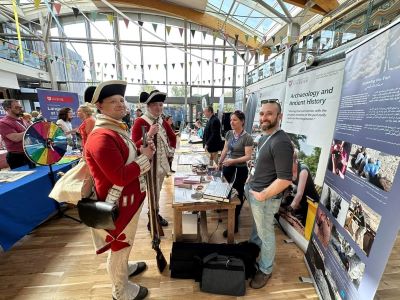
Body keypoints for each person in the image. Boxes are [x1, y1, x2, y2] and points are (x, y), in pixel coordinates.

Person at [85, 80, 155, 300]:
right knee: (119, 245)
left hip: (129, 201)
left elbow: (126, 159)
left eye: (121, 100)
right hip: (117, 204)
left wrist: (142, 150)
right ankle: (120, 290)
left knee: (126, 243)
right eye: (112, 101)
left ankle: (125, 267)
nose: (120, 104)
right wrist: (146, 158)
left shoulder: (115, 129)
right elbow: (120, 176)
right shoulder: (101, 136)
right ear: (99, 106)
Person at [244, 99, 293, 289]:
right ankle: (253, 249)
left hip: (265, 199)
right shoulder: (265, 137)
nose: (264, 117)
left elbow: (285, 180)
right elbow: (261, 165)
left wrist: (263, 195)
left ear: (280, 117)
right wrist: (251, 180)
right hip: (256, 192)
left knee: (266, 235)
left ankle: (265, 269)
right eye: (262, 113)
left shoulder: (281, 142)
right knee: (259, 229)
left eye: (269, 114)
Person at [131, 90, 177, 229]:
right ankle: (152, 217)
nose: (159, 108)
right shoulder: (141, 121)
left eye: (161, 105)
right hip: (149, 166)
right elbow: (134, 146)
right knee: (152, 193)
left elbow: (172, 137)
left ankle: (155, 213)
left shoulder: (161, 120)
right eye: (155, 105)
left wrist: (171, 152)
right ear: (148, 106)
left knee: (157, 192)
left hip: (161, 165)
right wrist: (149, 134)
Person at [218, 110, 253, 237]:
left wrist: (233, 161)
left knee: (237, 195)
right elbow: (225, 149)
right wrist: (220, 163)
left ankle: (234, 226)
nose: (231, 122)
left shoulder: (247, 137)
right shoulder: (229, 133)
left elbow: (248, 157)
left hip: (240, 169)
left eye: (235, 120)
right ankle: (227, 211)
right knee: (225, 190)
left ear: (242, 121)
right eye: (231, 120)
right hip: (228, 166)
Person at [284, 149, 320, 226]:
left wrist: (290, 208)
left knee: (307, 226)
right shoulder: (288, 169)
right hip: (303, 200)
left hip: (312, 203)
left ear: (294, 160)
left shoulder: (303, 170)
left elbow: (299, 194)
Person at [0, 99, 33, 169]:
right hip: (17, 157)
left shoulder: (22, 120)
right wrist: (32, 129)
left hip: (29, 153)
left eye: (20, 107)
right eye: (16, 107)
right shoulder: (3, 122)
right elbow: (15, 138)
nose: (20, 109)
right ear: (7, 109)